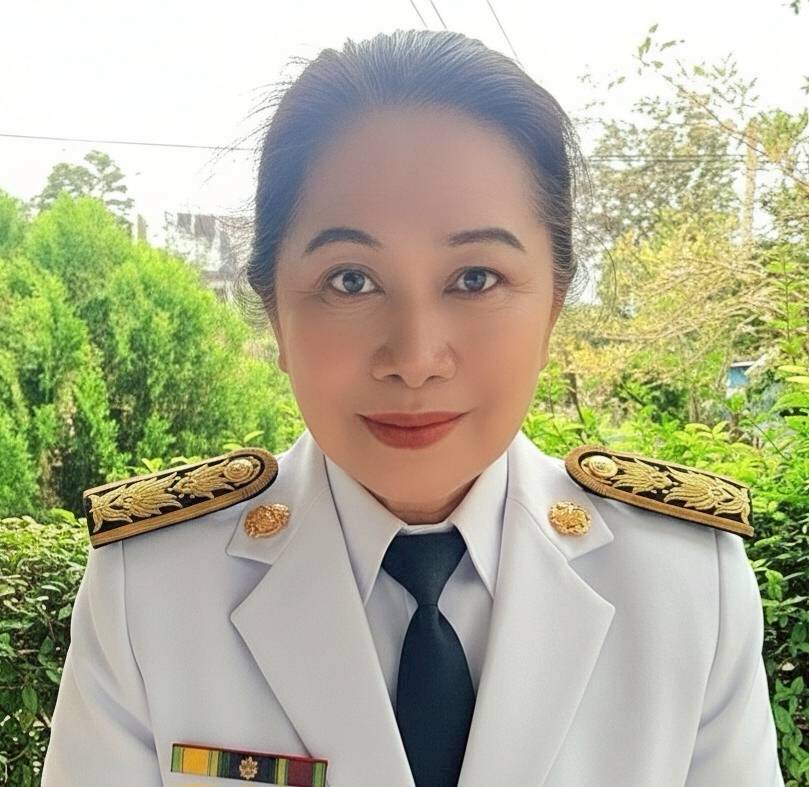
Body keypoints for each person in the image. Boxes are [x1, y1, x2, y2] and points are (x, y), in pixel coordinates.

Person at [41, 28, 784, 787]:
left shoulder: (684, 585)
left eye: (475, 278)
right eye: (350, 280)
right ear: (274, 312)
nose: (415, 358)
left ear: (553, 306)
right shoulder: (151, 589)